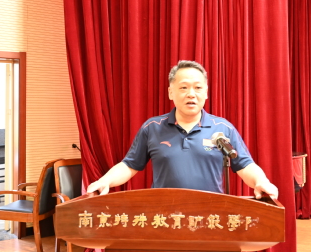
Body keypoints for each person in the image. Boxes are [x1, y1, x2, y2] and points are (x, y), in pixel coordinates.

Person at [86, 60, 279, 199]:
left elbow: (245, 165)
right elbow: (129, 165)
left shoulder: (222, 129)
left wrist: (262, 182)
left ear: (206, 93)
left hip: (211, 215)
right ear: (171, 92)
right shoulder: (152, 128)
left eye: (198, 88)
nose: (191, 94)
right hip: (163, 215)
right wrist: (105, 181)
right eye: (184, 88)